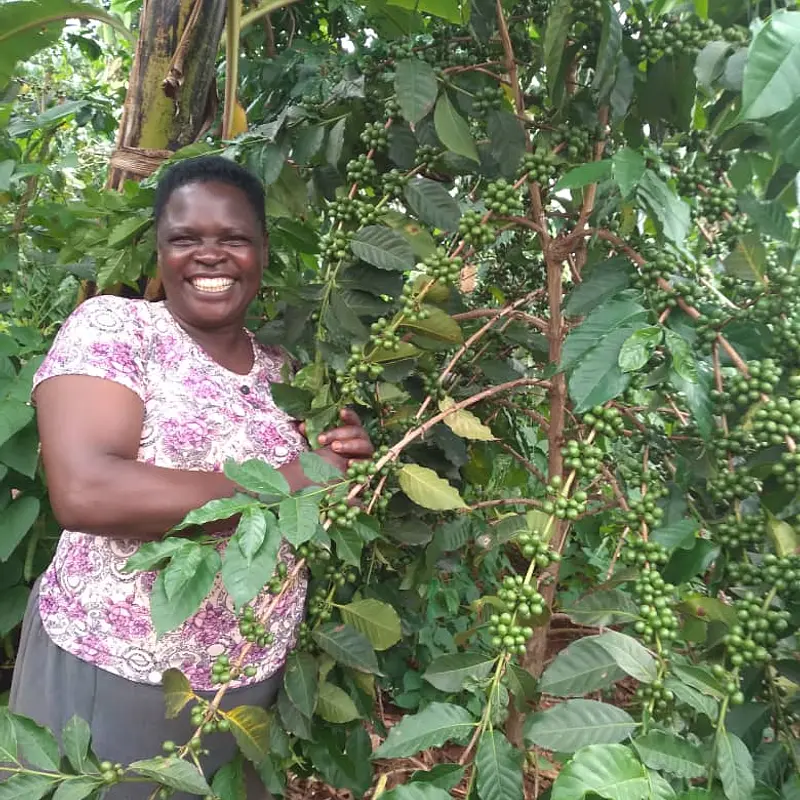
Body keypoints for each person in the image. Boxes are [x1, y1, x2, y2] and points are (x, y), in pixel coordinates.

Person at [9, 155, 374, 798]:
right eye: (185, 239)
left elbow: (316, 495)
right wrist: (288, 482)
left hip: (246, 680)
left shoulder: (285, 376)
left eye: (233, 239)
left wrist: (344, 460)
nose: (210, 255)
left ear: (262, 252)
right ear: (159, 251)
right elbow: (86, 489)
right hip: (116, 669)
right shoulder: (117, 330)